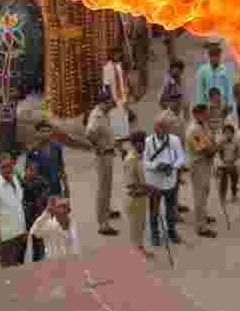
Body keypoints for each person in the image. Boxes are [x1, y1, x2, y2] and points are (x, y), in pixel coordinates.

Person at [144, 114, 186, 247]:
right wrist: (157, 166)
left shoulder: (174, 140)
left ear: (167, 128)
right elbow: (144, 162)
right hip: (154, 182)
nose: (160, 130)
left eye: (163, 127)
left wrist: (172, 167)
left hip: (170, 181)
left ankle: (172, 232)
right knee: (154, 211)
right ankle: (155, 234)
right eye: (157, 127)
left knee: (171, 210)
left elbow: (181, 158)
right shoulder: (148, 141)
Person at [86, 90, 121, 236]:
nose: (111, 105)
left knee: (107, 187)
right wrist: (98, 147)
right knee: (103, 189)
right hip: (103, 156)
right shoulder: (97, 116)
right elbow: (89, 133)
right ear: (102, 103)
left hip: (108, 153)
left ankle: (106, 211)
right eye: (109, 103)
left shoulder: (104, 114)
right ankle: (103, 223)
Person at [0, 152, 27, 267]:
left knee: (19, 268)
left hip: (19, 235)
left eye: (10, 165)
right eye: (4, 167)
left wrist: (23, 229)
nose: (8, 169)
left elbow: (18, 206)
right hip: (6, 240)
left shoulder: (15, 178)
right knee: (9, 273)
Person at [187, 103, 218, 238]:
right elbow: (206, 151)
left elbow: (211, 141)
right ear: (196, 114)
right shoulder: (193, 130)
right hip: (198, 165)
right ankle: (201, 227)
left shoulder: (204, 125)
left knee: (205, 191)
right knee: (199, 195)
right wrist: (218, 146)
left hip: (205, 165)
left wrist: (214, 145)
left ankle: (203, 216)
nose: (207, 115)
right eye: (204, 113)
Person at [122, 132, 151, 258]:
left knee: (141, 227)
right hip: (134, 199)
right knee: (135, 228)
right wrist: (147, 189)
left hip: (142, 197)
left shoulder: (141, 156)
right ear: (135, 144)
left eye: (145, 142)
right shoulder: (131, 160)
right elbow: (130, 185)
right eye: (142, 142)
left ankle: (140, 250)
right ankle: (137, 255)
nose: (144, 145)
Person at [27, 196, 79, 261]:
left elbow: (75, 248)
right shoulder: (49, 225)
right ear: (54, 209)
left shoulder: (72, 224)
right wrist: (46, 213)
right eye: (61, 206)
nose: (65, 209)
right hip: (54, 266)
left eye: (66, 206)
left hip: (71, 263)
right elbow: (33, 232)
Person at [27, 121, 68, 200]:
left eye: (48, 131)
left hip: (55, 187)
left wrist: (66, 186)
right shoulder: (33, 150)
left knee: (56, 210)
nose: (46, 133)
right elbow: (29, 171)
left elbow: (61, 167)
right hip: (40, 189)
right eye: (43, 131)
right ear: (37, 133)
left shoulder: (56, 148)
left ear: (51, 132)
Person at [194, 42, 235, 114]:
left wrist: (230, 103)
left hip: (222, 104)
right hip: (207, 104)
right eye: (212, 55)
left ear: (220, 56)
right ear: (209, 56)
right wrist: (200, 103)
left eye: (217, 55)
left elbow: (229, 88)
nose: (215, 58)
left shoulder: (225, 70)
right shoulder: (202, 70)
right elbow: (200, 88)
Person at [20, 161, 48, 262]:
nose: (32, 173)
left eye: (34, 170)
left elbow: (46, 194)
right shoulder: (20, 183)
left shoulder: (41, 182)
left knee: (38, 242)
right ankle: (20, 261)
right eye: (30, 170)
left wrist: (41, 199)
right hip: (24, 217)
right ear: (25, 171)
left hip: (37, 215)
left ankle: (38, 260)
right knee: (22, 243)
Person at [217, 123, 240, 208]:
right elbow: (219, 151)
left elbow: (238, 152)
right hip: (224, 164)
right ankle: (222, 196)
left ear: (233, 134)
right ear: (223, 133)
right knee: (223, 181)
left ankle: (234, 195)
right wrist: (222, 161)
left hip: (233, 164)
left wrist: (234, 160)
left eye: (230, 132)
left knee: (234, 180)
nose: (228, 134)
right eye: (226, 132)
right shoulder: (221, 141)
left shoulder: (235, 141)